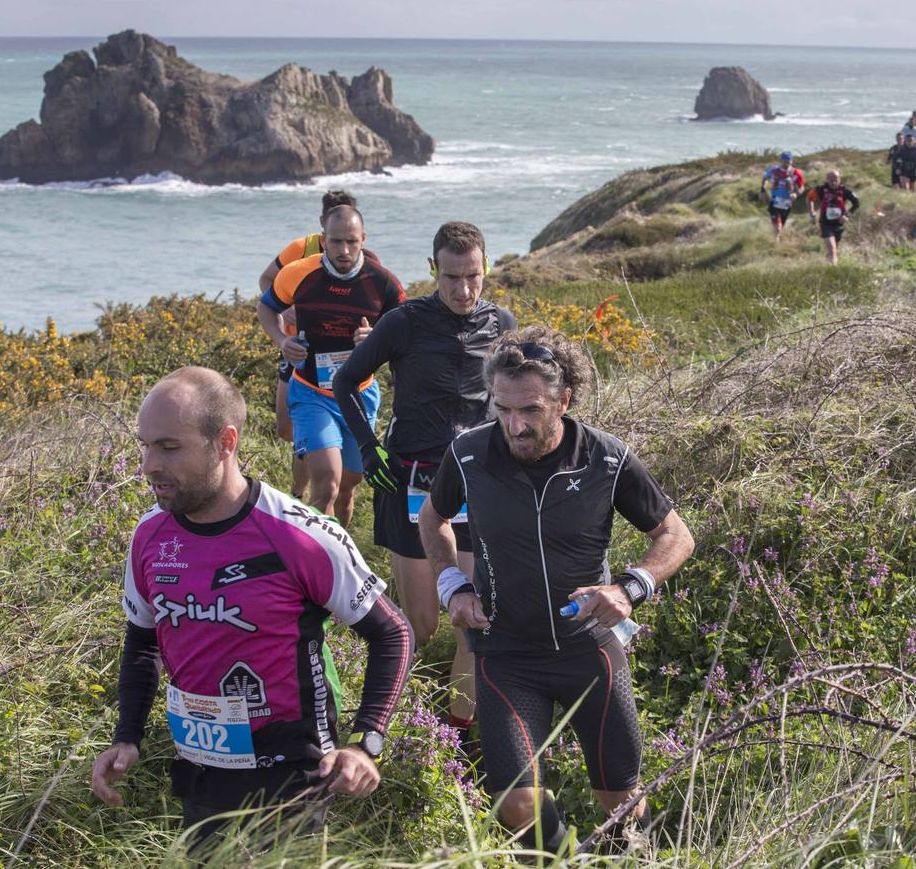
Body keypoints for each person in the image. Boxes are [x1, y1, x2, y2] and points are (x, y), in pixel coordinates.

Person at [90, 367, 413, 845]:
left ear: (226, 442)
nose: (148, 465)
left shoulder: (300, 535)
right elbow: (143, 639)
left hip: (293, 772)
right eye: (145, 445)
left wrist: (367, 743)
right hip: (201, 767)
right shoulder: (149, 536)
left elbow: (393, 632)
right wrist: (127, 736)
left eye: (169, 447)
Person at [418, 327, 695, 857]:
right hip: (505, 652)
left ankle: (620, 858)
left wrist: (630, 588)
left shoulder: (607, 459)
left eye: (530, 411)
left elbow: (675, 535)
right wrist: (452, 583)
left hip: (587, 649)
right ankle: (562, 860)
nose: (514, 426)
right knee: (515, 805)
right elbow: (434, 518)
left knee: (621, 800)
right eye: (502, 409)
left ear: (564, 400)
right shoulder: (470, 454)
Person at [333, 220, 516, 744]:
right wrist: (368, 448)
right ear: (434, 270)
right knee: (420, 625)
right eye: (452, 277)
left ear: (487, 269)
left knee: (472, 621)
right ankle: (387, 731)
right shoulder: (405, 321)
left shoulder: (501, 322)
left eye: (474, 277)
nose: (463, 290)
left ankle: (453, 744)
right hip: (410, 482)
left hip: (476, 486)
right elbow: (346, 380)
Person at [256, 205, 405, 526]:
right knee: (327, 484)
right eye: (336, 242)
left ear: (363, 239)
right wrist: (283, 341)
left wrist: (377, 338)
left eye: (351, 241)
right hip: (311, 393)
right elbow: (266, 308)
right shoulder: (298, 273)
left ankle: (340, 561)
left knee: (347, 490)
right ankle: (319, 567)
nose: (344, 250)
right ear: (324, 240)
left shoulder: (383, 283)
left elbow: (407, 332)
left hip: (358, 395)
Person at [807, 170, 860, 265]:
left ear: (839, 179)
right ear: (827, 180)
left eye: (836, 179)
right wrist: (812, 212)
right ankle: (833, 269)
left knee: (834, 249)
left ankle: (828, 266)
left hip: (839, 224)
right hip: (825, 223)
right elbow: (810, 198)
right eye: (831, 179)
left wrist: (847, 215)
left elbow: (856, 203)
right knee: (832, 248)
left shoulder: (844, 190)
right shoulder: (821, 189)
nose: (834, 182)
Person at [760, 151, 806, 238]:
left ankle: (774, 239)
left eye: (789, 161)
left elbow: (802, 186)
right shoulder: (773, 169)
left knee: (780, 226)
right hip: (774, 201)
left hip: (787, 203)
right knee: (778, 228)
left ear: (792, 161)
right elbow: (765, 178)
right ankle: (775, 244)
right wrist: (762, 190)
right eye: (785, 161)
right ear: (781, 160)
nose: (787, 163)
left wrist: (796, 194)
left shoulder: (796, 173)